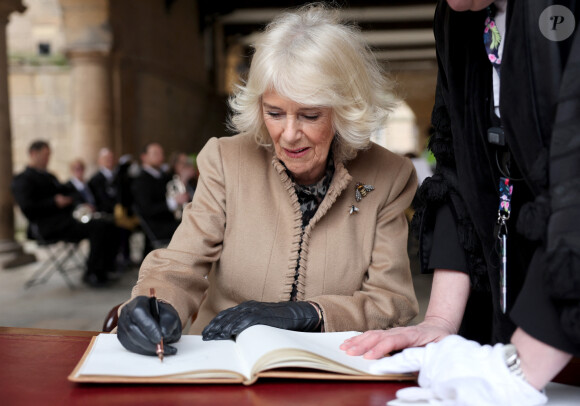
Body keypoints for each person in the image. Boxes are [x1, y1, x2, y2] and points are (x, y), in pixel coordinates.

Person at [116, 4, 419, 358]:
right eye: (274, 113)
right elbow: (181, 261)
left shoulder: (389, 175)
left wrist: (309, 314)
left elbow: (392, 301)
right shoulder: (226, 159)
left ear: (345, 109)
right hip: (227, 359)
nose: (289, 134)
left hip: (330, 363)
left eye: (310, 115)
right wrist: (157, 302)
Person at [341, 1, 580, 404]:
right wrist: (439, 321)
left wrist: (520, 366)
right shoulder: (457, 17)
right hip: (514, 304)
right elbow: (455, 166)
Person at [12, 140, 118, 287]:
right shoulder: (23, 179)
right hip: (46, 226)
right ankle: (92, 273)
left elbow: (68, 192)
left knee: (108, 224)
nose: (48, 159)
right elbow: (27, 208)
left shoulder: (49, 176)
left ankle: (102, 269)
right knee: (98, 227)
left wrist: (79, 203)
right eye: (45, 155)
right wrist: (53, 202)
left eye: (49, 155)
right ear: (33, 154)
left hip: (65, 221)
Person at [131, 142, 187, 254]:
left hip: (171, 221)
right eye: (155, 153)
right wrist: (174, 202)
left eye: (161, 153)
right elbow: (147, 209)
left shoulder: (163, 176)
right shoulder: (141, 180)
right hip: (159, 227)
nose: (161, 157)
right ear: (144, 157)